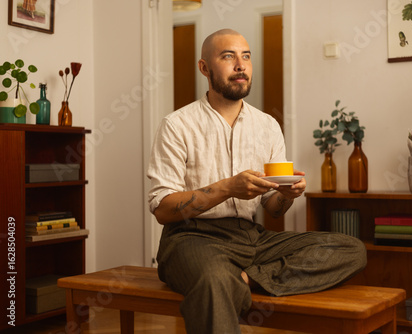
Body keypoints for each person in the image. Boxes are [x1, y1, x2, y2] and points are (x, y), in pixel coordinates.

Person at [147, 28, 366, 334]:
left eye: (246, 56)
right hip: (190, 238)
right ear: (204, 68)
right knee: (213, 279)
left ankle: (248, 278)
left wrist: (287, 194)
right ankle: (234, 277)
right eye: (228, 56)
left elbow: (274, 209)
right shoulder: (176, 125)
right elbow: (162, 210)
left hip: (252, 239)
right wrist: (227, 188)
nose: (241, 65)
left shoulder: (267, 126)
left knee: (350, 248)